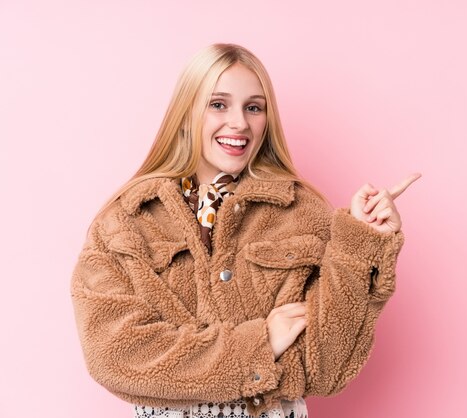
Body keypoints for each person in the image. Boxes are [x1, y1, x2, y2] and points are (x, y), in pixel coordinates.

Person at [71, 43, 419, 418]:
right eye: (218, 104)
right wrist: (262, 343)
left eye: (253, 107)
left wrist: (361, 242)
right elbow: (116, 356)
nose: (239, 123)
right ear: (186, 113)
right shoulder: (125, 220)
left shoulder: (301, 212)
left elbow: (326, 370)